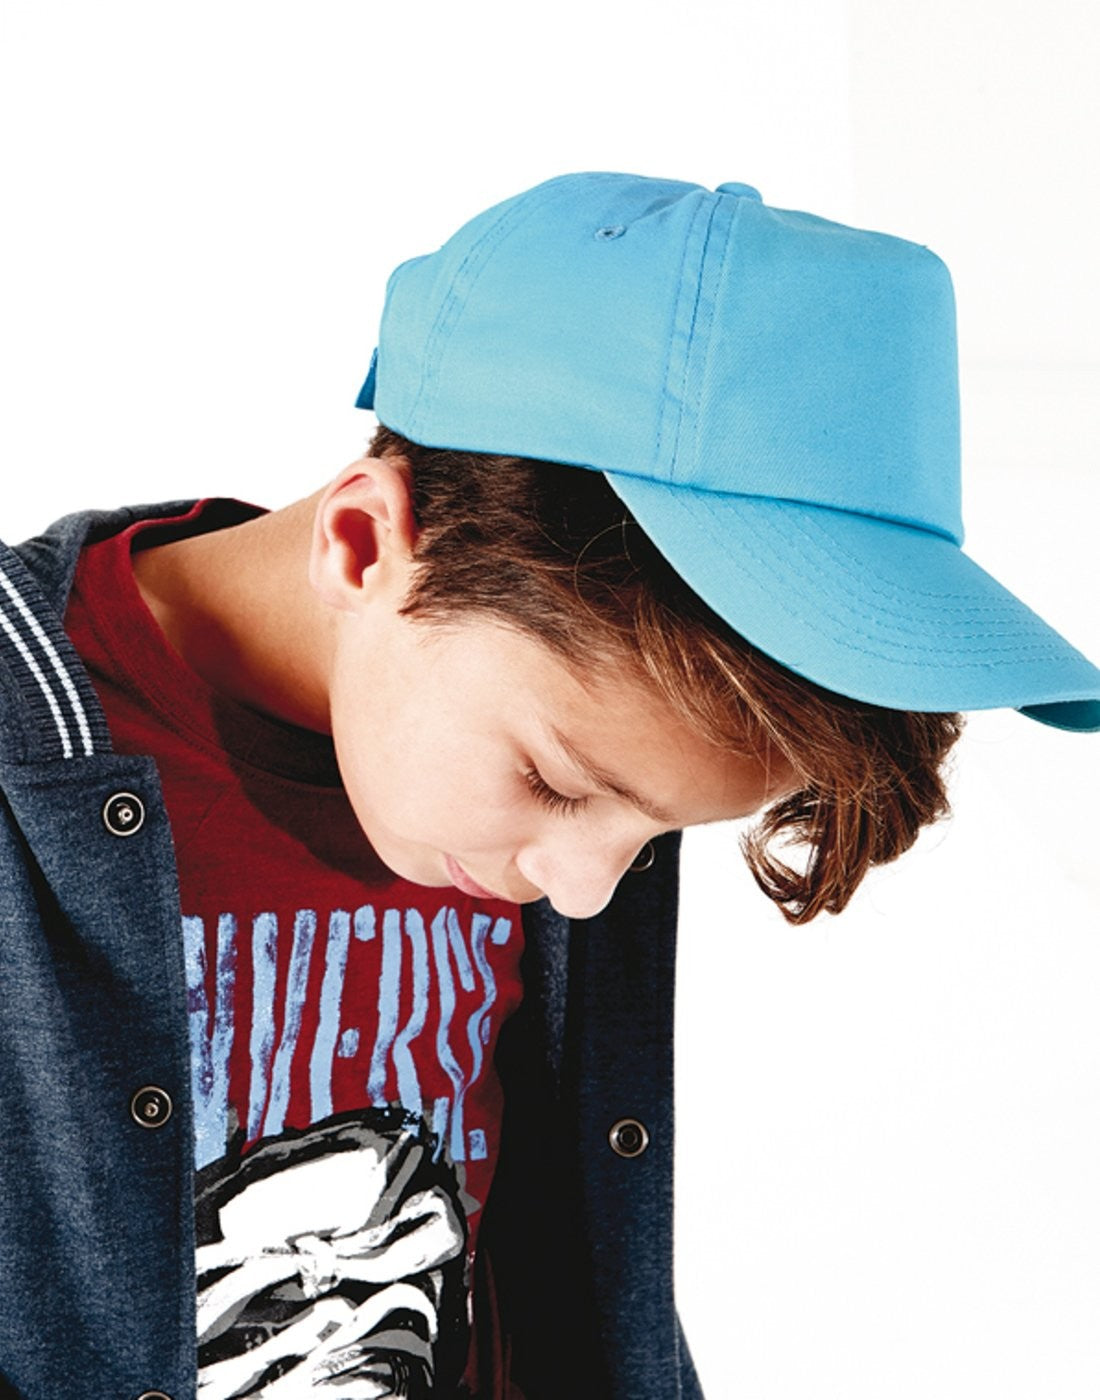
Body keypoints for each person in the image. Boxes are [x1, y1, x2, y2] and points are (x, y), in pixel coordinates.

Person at [0, 171, 1096, 1400]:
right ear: (363, 544)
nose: (580, 891)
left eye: (655, 833)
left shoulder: (512, 750)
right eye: (556, 782)